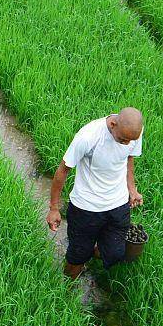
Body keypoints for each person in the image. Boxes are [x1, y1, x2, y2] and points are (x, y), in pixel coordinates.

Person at [46, 107, 144, 279]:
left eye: (130, 140)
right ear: (113, 124)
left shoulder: (132, 132)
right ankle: (67, 290)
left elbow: (129, 158)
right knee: (77, 257)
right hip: (86, 207)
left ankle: (89, 251)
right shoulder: (88, 137)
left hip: (118, 205)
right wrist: (54, 208)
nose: (127, 144)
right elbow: (62, 170)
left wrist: (132, 188)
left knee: (115, 253)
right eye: (123, 140)